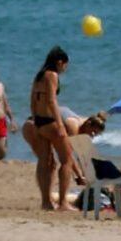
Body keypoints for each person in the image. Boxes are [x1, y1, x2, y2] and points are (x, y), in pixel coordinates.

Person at [29, 46, 77, 211]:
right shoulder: (52, 75)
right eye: (65, 65)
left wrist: (35, 120)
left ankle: (46, 202)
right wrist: (60, 124)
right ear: (59, 62)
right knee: (67, 160)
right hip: (51, 121)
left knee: (45, 162)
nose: (65, 68)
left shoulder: (39, 76)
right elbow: (51, 101)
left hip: (40, 121)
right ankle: (63, 202)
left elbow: (33, 100)